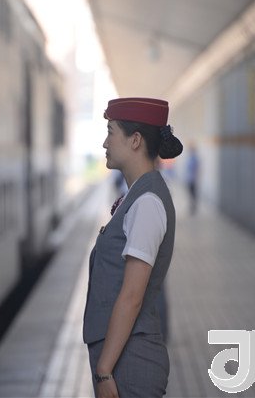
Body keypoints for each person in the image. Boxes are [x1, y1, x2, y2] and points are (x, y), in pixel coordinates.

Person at [83, 97, 183, 398]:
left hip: (131, 363)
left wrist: (104, 370)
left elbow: (131, 296)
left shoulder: (147, 203)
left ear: (135, 140)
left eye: (111, 132)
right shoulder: (137, 196)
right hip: (125, 358)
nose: (105, 143)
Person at [186, 143, 200, 215]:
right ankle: (192, 207)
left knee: (193, 194)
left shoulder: (194, 159)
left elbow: (197, 169)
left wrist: (196, 178)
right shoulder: (190, 158)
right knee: (191, 194)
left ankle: (193, 208)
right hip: (190, 179)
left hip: (193, 179)